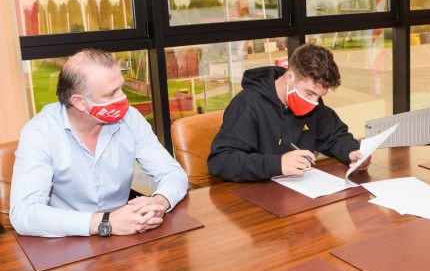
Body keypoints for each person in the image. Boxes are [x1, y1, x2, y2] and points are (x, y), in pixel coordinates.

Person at [10, 49, 189, 237]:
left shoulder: (130, 119)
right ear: (79, 102)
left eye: (122, 87)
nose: (123, 98)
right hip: (68, 242)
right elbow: (24, 214)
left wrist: (159, 201)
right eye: (111, 94)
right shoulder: (40, 133)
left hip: (128, 233)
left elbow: (172, 173)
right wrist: (104, 222)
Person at [208, 44, 369, 182]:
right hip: (254, 199)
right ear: (289, 77)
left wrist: (352, 152)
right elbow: (221, 161)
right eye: (309, 93)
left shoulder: (313, 105)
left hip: (300, 194)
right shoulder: (249, 105)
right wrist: (277, 164)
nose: (314, 102)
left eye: (319, 96)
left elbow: (335, 136)